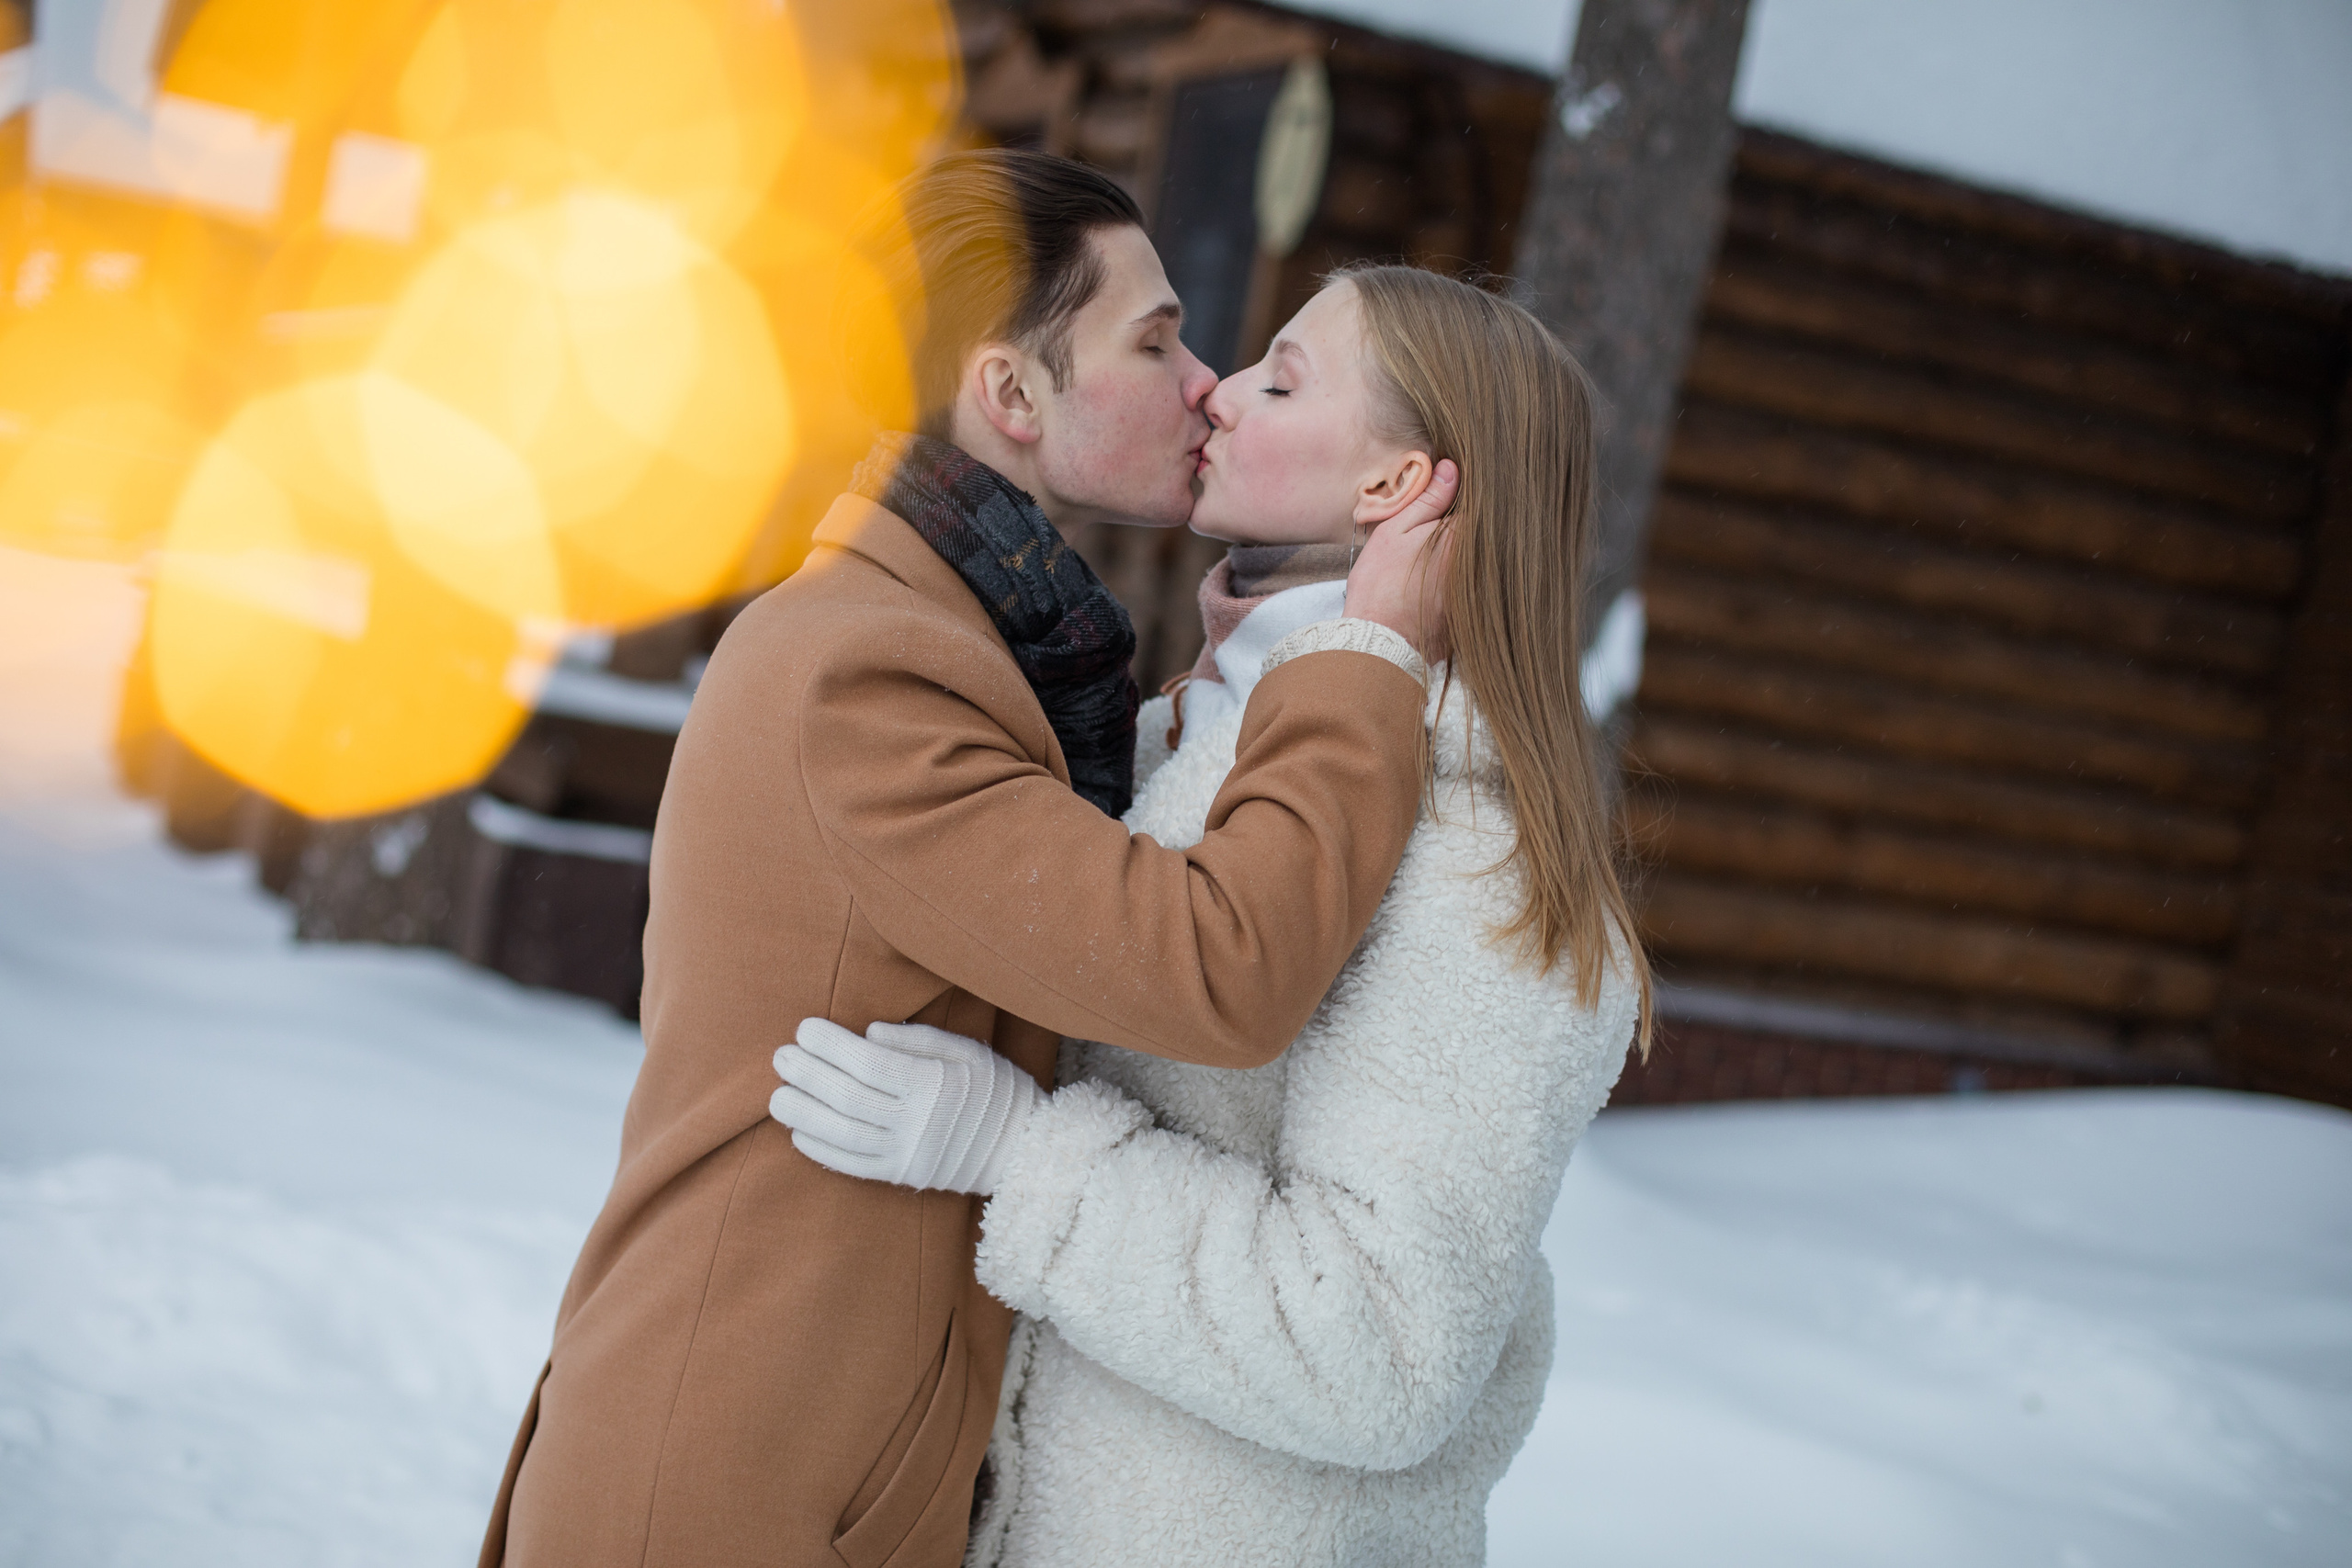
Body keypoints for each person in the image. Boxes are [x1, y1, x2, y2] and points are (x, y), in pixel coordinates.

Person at [478, 154, 1455, 1568]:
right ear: (1010, 396)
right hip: (722, 1481)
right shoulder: (863, 673)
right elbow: (1220, 970)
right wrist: (1369, 657)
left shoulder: (972, 650)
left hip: (836, 1471)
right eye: (1156, 338)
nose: (1205, 382)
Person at [772, 264, 1650, 1566]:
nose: (1219, 395)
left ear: (1395, 488)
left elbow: (1382, 1349)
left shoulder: (1477, 859)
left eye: (1282, 378)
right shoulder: (1200, 747)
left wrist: (1023, 1157)